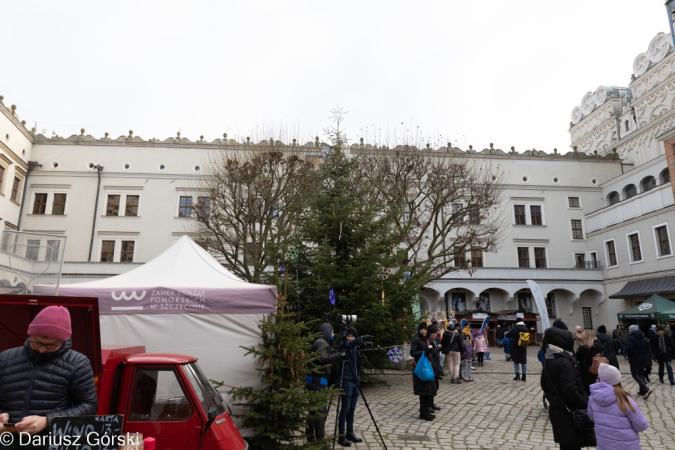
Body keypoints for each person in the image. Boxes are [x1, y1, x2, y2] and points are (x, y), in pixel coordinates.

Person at [0, 306, 98, 449]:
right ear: (29, 335)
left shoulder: (78, 363)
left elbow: (89, 406)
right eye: (36, 342)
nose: (41, 349)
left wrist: (47, 421)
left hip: (50, 444)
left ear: (63, 341)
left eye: (51, 345)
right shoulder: (5, 358)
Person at [540, 318, 596, 450]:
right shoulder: (564, 362)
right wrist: (586, 404)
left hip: (558, 411)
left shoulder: (550, 359)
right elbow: (571, 391)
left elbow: (545, 385)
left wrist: (554, 399)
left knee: (566, 445)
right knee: (572, 445)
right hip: (569, 412)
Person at [587, 364, 648, 449]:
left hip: (604, 445)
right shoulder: (626, 400)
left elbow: (592, 416)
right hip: (626, 446)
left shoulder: (593, 398)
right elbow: (640, 425)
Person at [306, 321, 344, 444]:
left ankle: (311, 438)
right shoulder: (321, 342)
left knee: (313, 411)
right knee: (320, 412)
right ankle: (320, 440)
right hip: (317, 383)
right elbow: (322, 360)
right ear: (327, 332)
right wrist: (339, 355)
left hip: (315, 381)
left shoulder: (321, 342)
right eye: (332, 332)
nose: (333, 334)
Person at [336, 326, 371, 447]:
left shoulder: (356, 349)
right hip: (346, 380)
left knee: (352, 408)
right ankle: (341, 435)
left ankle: (350, 432)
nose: (350, 338)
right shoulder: (344, 345)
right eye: (348, 336)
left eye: (353, 336)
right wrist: (360, 339)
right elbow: (346, 345)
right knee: (345, 409)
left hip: (356, 381)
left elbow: (357, 365)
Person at [410, 323, 438, 421]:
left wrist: (432, 350)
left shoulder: (427, 339)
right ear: (419, 330)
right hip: (421, 368)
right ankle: (423, 412)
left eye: (424, 329)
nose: (423, 331)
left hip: (427, 366)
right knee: (423, 391)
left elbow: (430, 352)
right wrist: (424, 351)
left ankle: (426, 410)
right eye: (421, 329)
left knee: (427, 390)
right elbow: (412, 353)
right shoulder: (416, 339)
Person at [625, 324, 653, 400]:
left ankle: (646, 389)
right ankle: (642, 391)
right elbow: (648, 348)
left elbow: (630, 348)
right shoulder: (643, 338)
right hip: (643, 360)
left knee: (635, 374)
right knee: (640, 374)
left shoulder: (631, 338)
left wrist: (626, 350)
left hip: (635, 359)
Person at [575, 329, 603, 396]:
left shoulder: (583, 348)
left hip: (587, 371)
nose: (582, 335)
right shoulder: (598, 344)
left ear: (587, 336)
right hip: (598, 368)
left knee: (589, 388)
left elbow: (577, 357)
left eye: (584, 334)